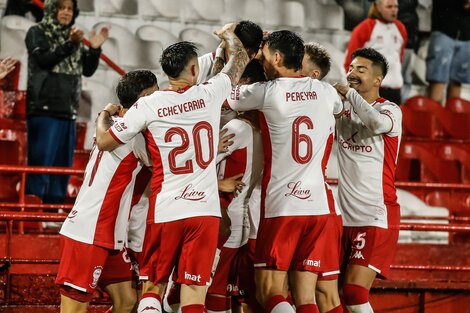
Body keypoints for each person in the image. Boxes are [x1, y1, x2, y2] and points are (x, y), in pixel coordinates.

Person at [95, 24, 249, 313]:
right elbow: (239, 59)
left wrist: (104, 113)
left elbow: (104, 142)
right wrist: (228, 35)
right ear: (194, 70)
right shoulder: (210, 93)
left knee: (152, 288)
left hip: (166, 208)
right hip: (204, 212)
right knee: (193, 295)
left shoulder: (148, 105)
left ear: (166, 72)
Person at [226, 30, 343, 313]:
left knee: (269, 291)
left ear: (277, 58)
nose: (262, 63)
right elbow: (338, 108)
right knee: (307, 296)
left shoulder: (266, 92)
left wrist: (239, 50)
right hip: (319, 206)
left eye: (265, 57)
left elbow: (226, 94)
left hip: (283, 206)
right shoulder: (326, 91)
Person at [56, 70, 158, 313]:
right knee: (74, 310)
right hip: (89, 231)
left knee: (127, 301)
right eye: (155, 94)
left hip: (110, 233)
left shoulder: (111, 125)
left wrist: (104, 112)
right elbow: (172, 166)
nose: (160, 99)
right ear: (143, 97)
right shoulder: (135, 136)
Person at [334, 47, 402, 313]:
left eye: (360, 70)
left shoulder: (391, 110)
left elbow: (375, 125)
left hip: (376, 214)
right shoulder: (341, 108)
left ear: (378, 79)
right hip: (343, 218)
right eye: (350, 68)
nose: (352, 73)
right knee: (326, 289)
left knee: (354, 292)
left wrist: (350, 94)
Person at [25, 0, 108, 205]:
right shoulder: (37, 32)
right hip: (43, 110)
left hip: (68, 110)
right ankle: (31, 214)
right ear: (52, 10)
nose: (66, 12)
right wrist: (71, 44)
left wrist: (95, 50)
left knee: (61, 170)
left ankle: (53, 213)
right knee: (41, 167)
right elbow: (44, 61)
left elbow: (87, 70)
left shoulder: (75, 35)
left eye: (70, 9)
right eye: (61, 8)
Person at [205, 59, 265, 313]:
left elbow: (195, 166)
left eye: (238, 81)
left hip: (224, 218)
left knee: (210, 291)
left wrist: (218, 183)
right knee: (231, 292)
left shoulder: (236, 127)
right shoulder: (266, 130)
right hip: (244, 222)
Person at [302, 42, 344, 313]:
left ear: (315, 76)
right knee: (318, 292)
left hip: (315, 206)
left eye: (300, 63)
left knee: (319, 292)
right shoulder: (327, 98)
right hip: (317, 204)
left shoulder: (312, 101)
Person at [344, 0, 407, 105]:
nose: (394, 10)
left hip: (394, 91)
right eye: (389, 7)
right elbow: (349, 62)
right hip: (371, 90)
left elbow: (400, 58)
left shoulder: (400, 28)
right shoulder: (365, 28)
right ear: (378, 7)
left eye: (396, 7)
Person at [426, 0, 470, 103]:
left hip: (466, 34)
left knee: (457, 81)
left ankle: (452, 117)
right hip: (444, 30)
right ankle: (433, 117)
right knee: (437, 80)